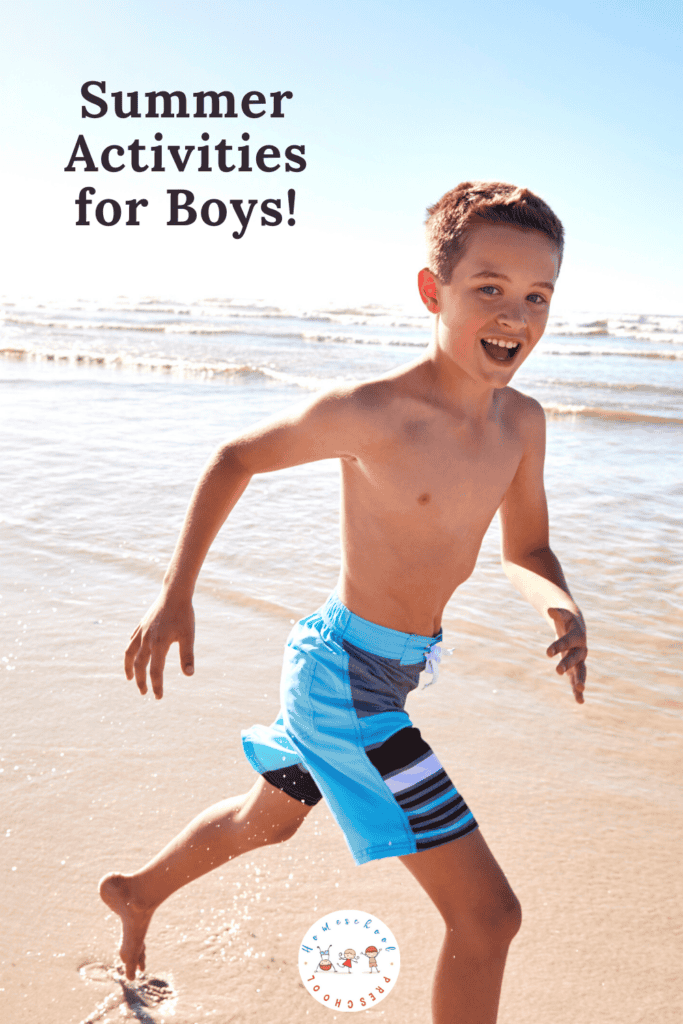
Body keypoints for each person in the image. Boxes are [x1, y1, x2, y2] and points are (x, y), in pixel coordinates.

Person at [100, 181, 588, 1024]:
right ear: (433, 292)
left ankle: (136, 893)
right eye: (490, 289)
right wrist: (176, 594)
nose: (514, 315)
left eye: (536, 296)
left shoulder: (522, 424)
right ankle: (138, 893)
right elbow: (235, 457)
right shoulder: (375, 412)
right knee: (488, 915)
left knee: (272, 818)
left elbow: (526, 548)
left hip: (377, 671)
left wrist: (559, 605)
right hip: (348, 685)